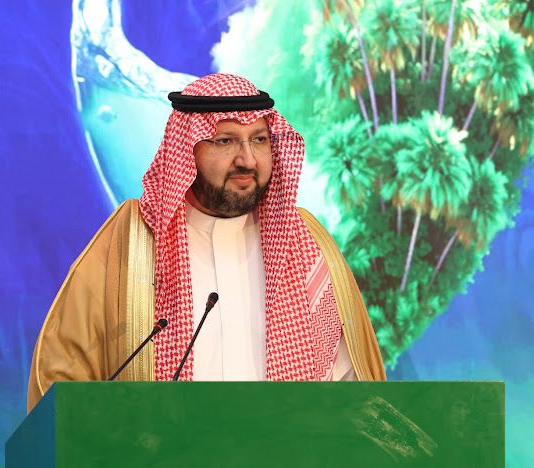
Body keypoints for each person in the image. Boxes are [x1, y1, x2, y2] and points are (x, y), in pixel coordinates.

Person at [27, 73, 386, 412]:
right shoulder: (132, 241)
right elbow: (62, 377)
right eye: (224, 141)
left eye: (259, 139)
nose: (247, 159)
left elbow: (351, 386)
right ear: (187, 150)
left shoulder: (305, 243)